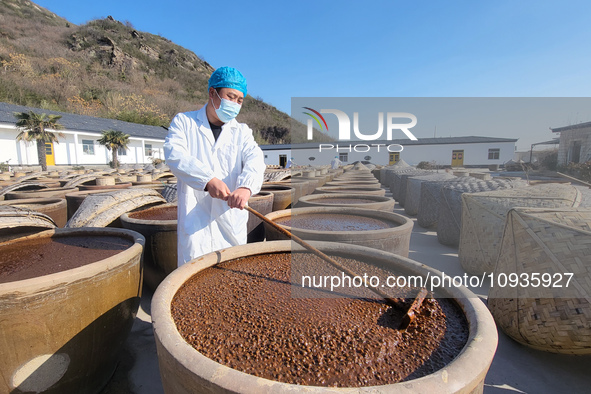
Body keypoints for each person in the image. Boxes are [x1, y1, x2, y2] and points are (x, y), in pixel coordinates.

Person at [164, 66, 266, 266]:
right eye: (230, 96)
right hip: (196, 223)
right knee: (194, 276)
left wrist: (246, 187)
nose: (235, 104)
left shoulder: (242, 132)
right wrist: (207, 179)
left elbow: (255, 158)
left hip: (229, 220)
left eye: (239, 100)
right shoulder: (184, 122)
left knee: (231, 272)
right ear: (212, 93)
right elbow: (175, 155)